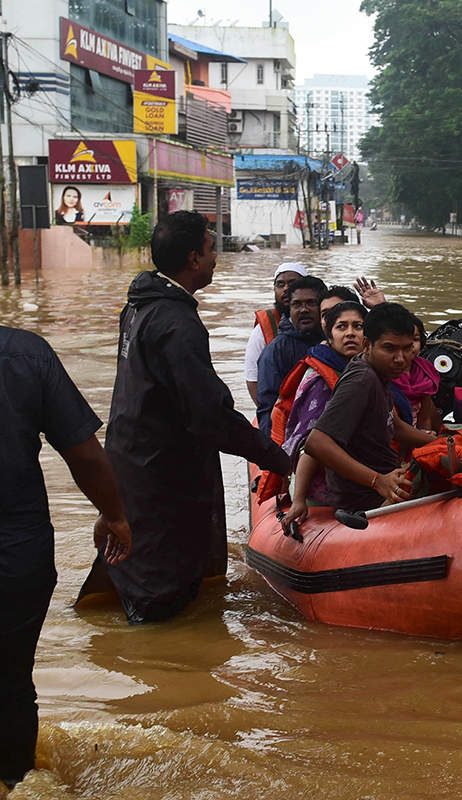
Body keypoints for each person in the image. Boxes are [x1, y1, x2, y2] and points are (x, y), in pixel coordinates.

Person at [102, 210, 289, 624]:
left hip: (130, 464)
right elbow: (209, 415)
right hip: (163, 478)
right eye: (210, 249)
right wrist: (276, 458)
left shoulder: (139, 307)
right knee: (161, 597)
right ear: (192, 260)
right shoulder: (176, 322)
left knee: (132, 576)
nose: (215, 258)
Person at [0, 326, 132, 790]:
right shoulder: (24, 354)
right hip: (16, 551)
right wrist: (113, 514)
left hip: (17, 543)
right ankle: (18, 782)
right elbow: (83, 454)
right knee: (12, 681)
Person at [288, 303, 430, 523]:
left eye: (406, 348)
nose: (400, 358)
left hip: (385, 480)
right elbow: (316, 442)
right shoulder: (362, 380)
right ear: (367, 345)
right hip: (368, 497)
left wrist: (439, 440)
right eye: (390, 349)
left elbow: (394, 425)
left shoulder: (376, 371)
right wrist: (378, 481)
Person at [259, 301, 369, 506]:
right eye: (342, 327)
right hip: (323, 480)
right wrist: (299, 500)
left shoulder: (371, 370)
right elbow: (309, 444)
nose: (351, 333)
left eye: (358, 326)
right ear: (329, 335)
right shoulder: (321, 380)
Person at [256, 275, 328, 432]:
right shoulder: (276, 350)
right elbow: (267, 406)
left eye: (311, 303)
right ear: (289, 309)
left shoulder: (337, 341)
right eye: (297, 304)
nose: (303, 310)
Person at [244, 263, 307, 404]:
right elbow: (253, 379)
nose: (286, 289)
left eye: (293, 283)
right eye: (280, 284)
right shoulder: (264, 328)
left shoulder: (323, 321)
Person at [392, 314, 442, 431]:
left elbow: (425, 418)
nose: (410, 345)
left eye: (415, 339)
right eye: (403, 339)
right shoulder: (385, 374)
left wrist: (426, 435)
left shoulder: (425, 370)